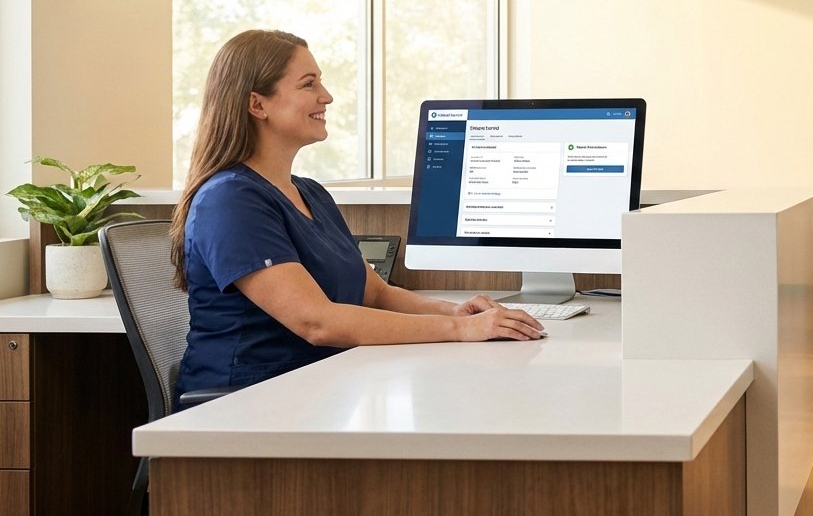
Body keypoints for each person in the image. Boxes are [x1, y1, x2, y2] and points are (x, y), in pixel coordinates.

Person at [169, 29, 544, 408]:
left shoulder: (310, 192)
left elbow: (375, 293)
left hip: (318, 390)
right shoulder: (231, 199)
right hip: (245, 406)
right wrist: (460, 330)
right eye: (308, 84)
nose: (326, 96)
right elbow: (317, 323)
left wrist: (457, 311)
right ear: (257, 104)